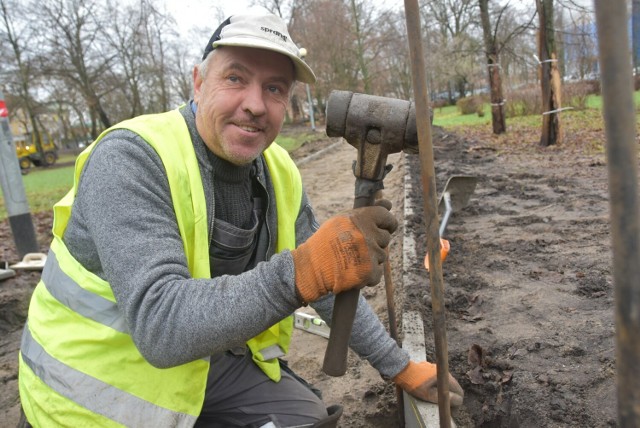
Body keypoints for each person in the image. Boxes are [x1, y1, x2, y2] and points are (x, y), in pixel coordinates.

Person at [18, 12, 463, 428]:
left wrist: (397, 363)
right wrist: (301, 271)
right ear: (197, 82)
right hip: (95, 391)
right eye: (235, 78)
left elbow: (329, 279)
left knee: (305, 418)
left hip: (203, 365)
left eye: (274, 89)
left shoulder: (277, 169)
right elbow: (161, 327)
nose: (255, 104)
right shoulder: (132, 158)